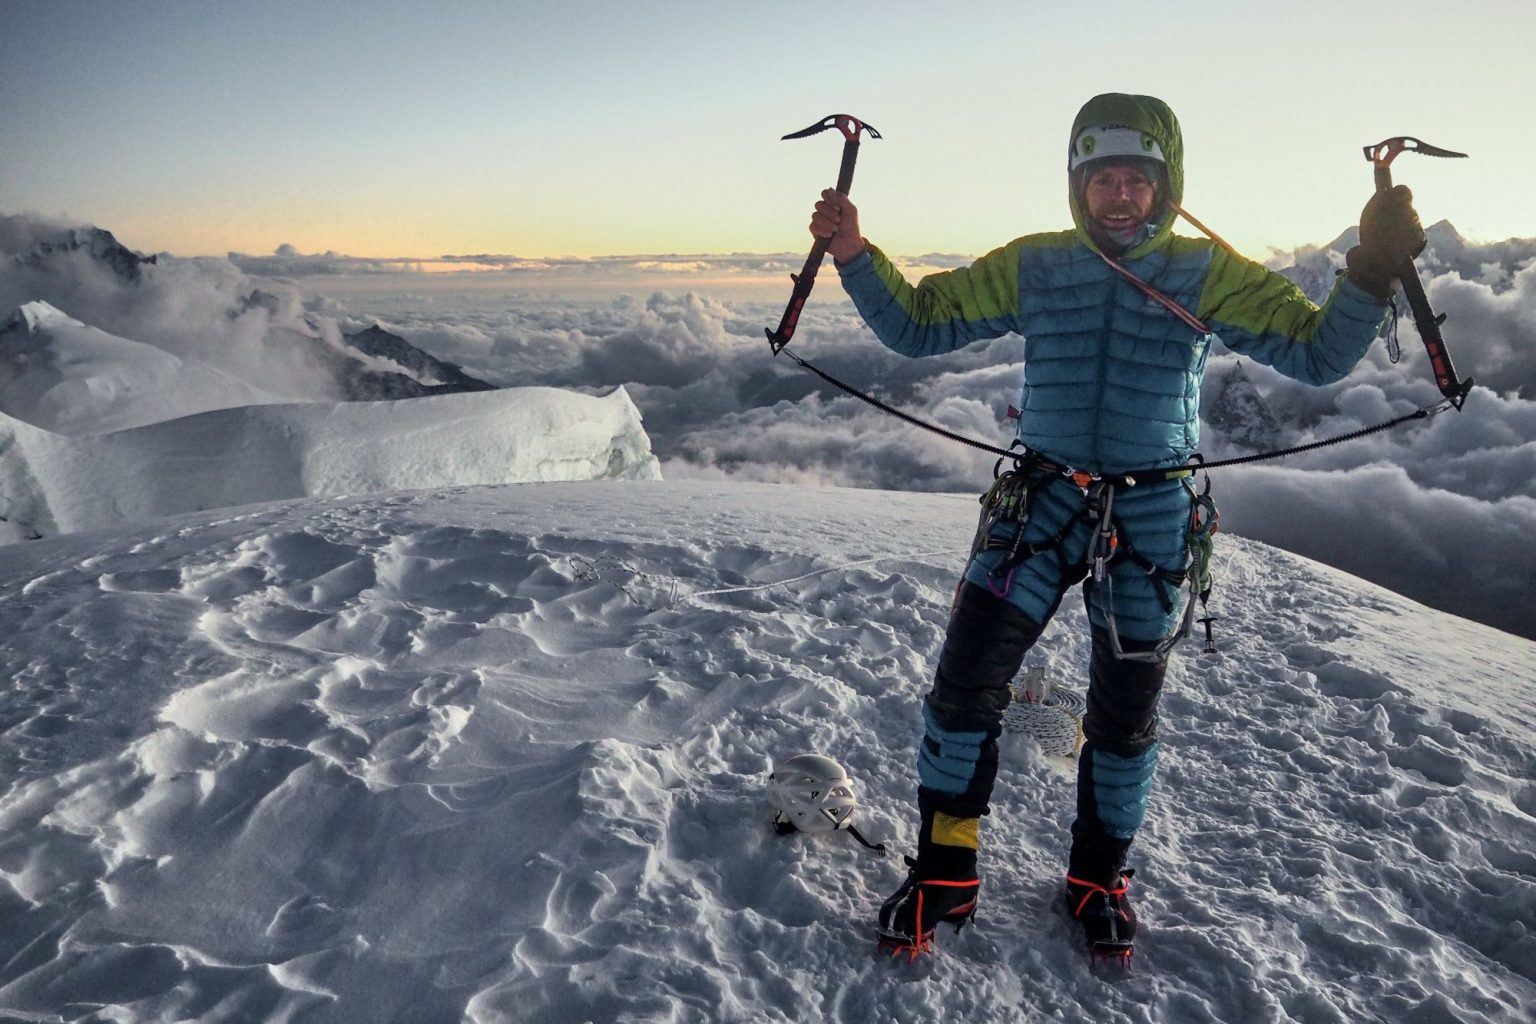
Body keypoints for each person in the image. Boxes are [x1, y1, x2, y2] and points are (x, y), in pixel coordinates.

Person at [807, 92, 1425, 958]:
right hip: (1044, 502)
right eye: (1105, 180)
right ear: (1078, 183)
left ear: (1166, 186)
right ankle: (947, 872)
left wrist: (1368, 275)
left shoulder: (1208, 272)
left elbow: (1316, 354)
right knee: (962, 688)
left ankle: (1099, 877)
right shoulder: (1038, 264)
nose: (1122, 196)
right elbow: (921, 324)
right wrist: (854, 253)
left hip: (1150, 512)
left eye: (1139, 179)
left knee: (1125, 717)